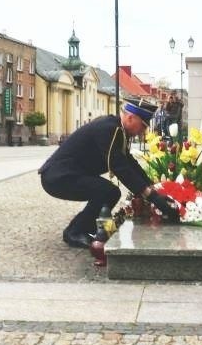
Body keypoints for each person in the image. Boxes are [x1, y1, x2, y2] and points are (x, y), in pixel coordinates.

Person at [39, 99, 180, 250]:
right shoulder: (109, 129)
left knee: (110, 192)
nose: (143, 131)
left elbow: (129, 162)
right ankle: (74, 232)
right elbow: (119, 166)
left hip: (69, 174)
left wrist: (153, 188)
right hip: (58, 177)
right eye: (143, 125)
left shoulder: (117, 128)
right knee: (107, 191)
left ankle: (96, 229)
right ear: (130, 117)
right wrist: (150, 195)